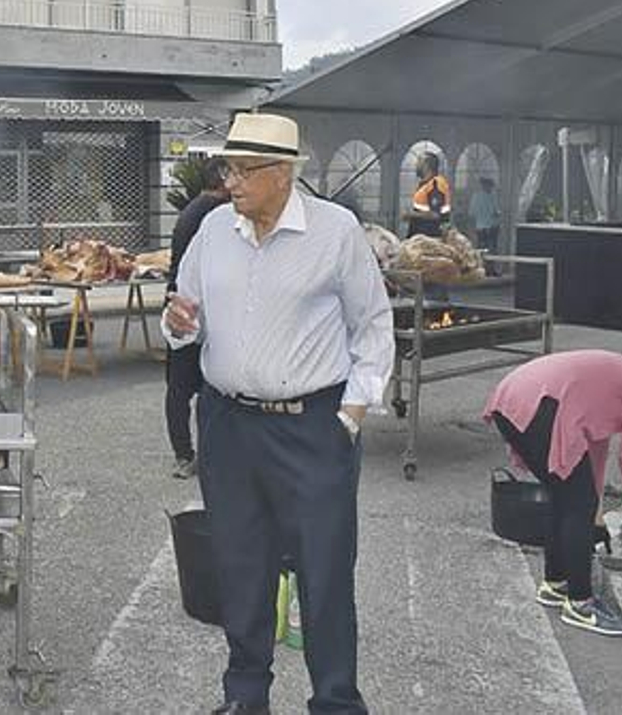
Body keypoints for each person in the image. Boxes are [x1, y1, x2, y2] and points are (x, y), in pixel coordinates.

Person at [164, 112, 392, 715]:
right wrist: (178, 324)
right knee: (240, 566)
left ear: (283, 173)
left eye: (242, 170)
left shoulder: (336, 232)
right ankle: (245, 699)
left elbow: (372, 325)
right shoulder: (214, 230)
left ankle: (337, 702)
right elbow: (184, 313)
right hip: (227, 424)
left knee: (324, 572)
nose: (229, 182)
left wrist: (354, 410)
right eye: (227, 168)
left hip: (313, 426)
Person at [483, 348, 622, 636]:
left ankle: (555, 585)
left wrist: (597, 519)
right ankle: (581, 604)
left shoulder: (616, 380)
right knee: (576, 504)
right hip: (536, 404)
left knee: (565, 496)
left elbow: (596, 453)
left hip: (514, 398)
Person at [164, 156, 228, 480]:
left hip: (182, 301)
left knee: (181, 386)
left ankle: (187, 454)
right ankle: (190, 456)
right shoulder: (214, 215)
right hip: (191, 307)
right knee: (194, 387)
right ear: (222, 179)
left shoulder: (195, 208)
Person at [403, 152, 452, 239]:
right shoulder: (425, 184)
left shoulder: (436, 184)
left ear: (426, 165)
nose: (416, 165)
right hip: (420, 236)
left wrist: (411, 215)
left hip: (430, 238)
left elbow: (436, 214)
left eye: (419, 161)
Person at [469, 176, 501, 251]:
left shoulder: (476, 196)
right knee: (490, 246)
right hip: (489, 227)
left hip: (482, 227)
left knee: (483, 246)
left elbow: (471, 213)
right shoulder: (492, 197)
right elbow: (496, 212)